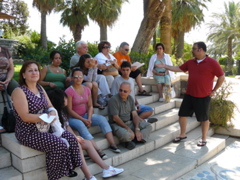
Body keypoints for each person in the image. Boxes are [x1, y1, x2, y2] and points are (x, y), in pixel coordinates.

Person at [12, 61, 82, 180]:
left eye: (36, 70)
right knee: (58, 144)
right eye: (30, 70)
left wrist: (52, 112)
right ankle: (54, 176)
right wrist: (45, 118)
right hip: (28, 132)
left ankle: (68, 168)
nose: (34, 72)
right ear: (23, 75)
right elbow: (25, 116)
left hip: (45, 127)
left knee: (71, 138)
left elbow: (50, 106)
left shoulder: (40, 88)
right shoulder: (19, 91)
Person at [156, 42, 225, 146]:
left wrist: (214, 90)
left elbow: (221, 77)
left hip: (203, 96)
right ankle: (182, 134)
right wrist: (166, 66)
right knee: (182, 115)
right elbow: (179, 68)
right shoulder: (191, 62)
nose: (192, 50)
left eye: (194, 48)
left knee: (203, 119)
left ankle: (203, 138)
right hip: (189, 94)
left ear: (200, 50)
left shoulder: (212, 62)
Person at [48, 89, 124, 179]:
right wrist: (75, 139)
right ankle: (90, 176)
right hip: (59, 141)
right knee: (79, 145)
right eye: (65, 98)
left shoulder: (61, 112)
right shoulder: (51, 114)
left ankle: (106, 169)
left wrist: (75, 137)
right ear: (59, 100)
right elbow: (58, 132)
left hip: (66, 138)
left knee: (86, 142)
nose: (67, 100)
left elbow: (67, 127)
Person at [65, 68, 121, 158]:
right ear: (72, 78)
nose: (78, 78)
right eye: (76, 77)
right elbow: (69, 110)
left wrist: (89, 118)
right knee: (80, 124)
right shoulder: (69, 91)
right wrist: (84, 120)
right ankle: (98, 150)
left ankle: (112, 144)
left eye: (80, 76)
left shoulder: (87, 89)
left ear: (83, 77)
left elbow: (90, 106)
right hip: (73, 118)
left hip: (85, 115)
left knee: (102, 119)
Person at [108, 82, 152, 150]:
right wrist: (128, 129)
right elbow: (115, 118)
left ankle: (132, 141)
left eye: (125, 91)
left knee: (148, 126)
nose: (122, 92)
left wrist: (137, 129)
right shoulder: (114, 100)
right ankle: (134, 139)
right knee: (126, 135)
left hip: (129, 122)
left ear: (129, 91)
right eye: (120, 90)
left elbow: (134, 115)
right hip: (117, 124)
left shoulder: (131, 99)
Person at [0, 46, 19, 133]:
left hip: (6, 78)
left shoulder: (5, 50)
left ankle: (20, 120)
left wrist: (8, 80)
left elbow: (11, 68)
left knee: (19, 92)